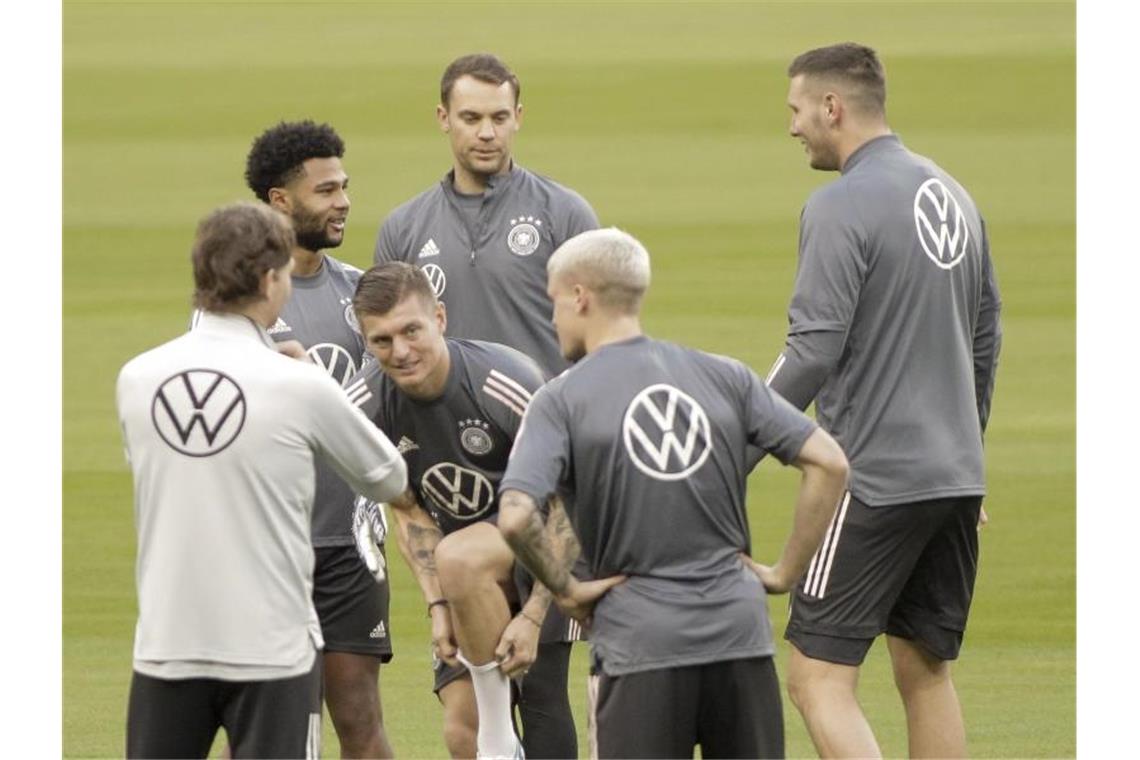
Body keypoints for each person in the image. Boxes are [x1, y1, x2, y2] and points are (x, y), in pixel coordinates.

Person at [496, 228, 851, 759]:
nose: (553, 320)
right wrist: (783, 574)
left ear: (579, 297)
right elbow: (829, 462)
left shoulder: (561, 400)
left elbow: (516, 515)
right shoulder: (725, 375)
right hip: (740, 636)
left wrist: (565, 589)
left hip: (640, 643)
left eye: (553, 303)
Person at [767, 43, 1002, 758]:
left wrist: (736, 431)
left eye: (797, 110)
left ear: (832, 107)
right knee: (924, 670)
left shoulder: (840, 204)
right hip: (956, 475)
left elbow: (813, 349)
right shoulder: (952, 193)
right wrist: (968, 446)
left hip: (874, 479)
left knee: (815, 676)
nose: (794, 127)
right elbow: (985, 335)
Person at [116, 202, 407, 759]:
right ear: (272, 281)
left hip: (167, 645)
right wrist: (313, 385)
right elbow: (388, 476)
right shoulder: (298, 384)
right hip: (272, 649)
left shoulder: (136, 379)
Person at [372, 52, 600, 756]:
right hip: (450, 481)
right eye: (470, 117)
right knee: (465, 713)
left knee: (544, 684)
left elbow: (597, 343)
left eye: (500, 118)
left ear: (518, 118)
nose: (487, 133)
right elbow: (385, 352)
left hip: (542, 476)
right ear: (443, 119)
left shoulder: (565, 213)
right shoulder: (404, 227)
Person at [343, 262, 572, 759]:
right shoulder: (362, 408)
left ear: (440, 318)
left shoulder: (506, 381)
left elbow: (566, 504)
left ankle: (501, 740)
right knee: (459, 732)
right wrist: (439, 606)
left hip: (546, 552)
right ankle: (494, 739)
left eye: (412, 331)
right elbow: (405, 510)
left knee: (541, 700)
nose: (401, 352)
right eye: (381, 341)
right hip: (459, 570)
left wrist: (533, 617)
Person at [240, 120, 398, 758]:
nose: (343, 202)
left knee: (359, 718)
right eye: (326, 190)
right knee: (266, 726)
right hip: (270, 542)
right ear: (281, 200)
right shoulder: (235, 303)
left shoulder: (360, 292)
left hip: (349, 544)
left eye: (345, 187)